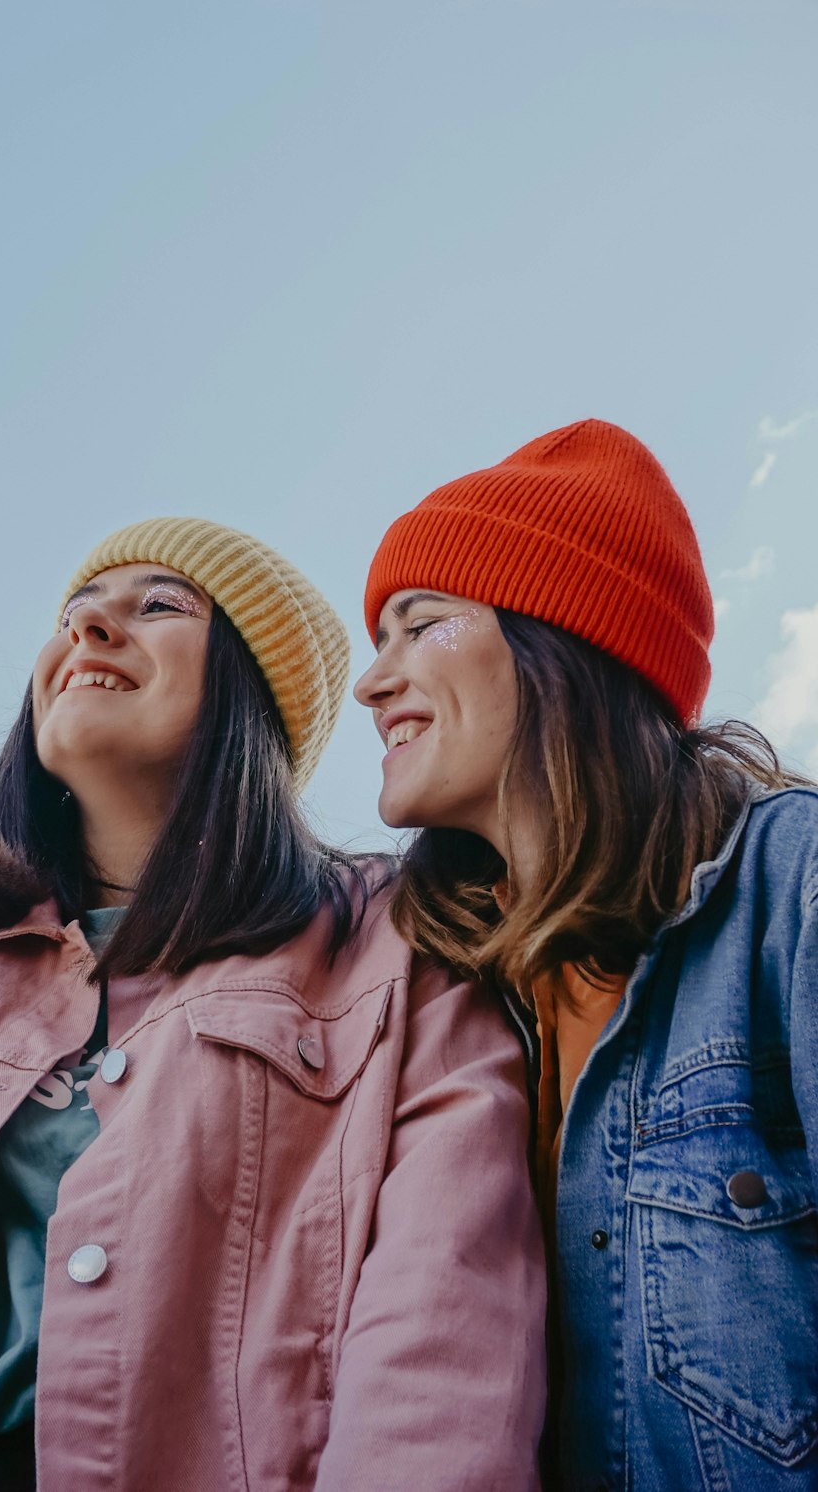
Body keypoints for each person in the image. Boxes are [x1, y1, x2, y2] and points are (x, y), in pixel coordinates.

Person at [0, 516, 546, 1492]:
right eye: (74, 615)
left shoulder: (393, 946)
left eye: (158, 605)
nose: (90, 632)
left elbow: (442, 1333)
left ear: (260, 695)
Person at [354, 419, 818, 1492]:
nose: (371, 684)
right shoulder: (434, 985)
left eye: (419, 625)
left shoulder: (787, 882)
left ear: (559, 644)